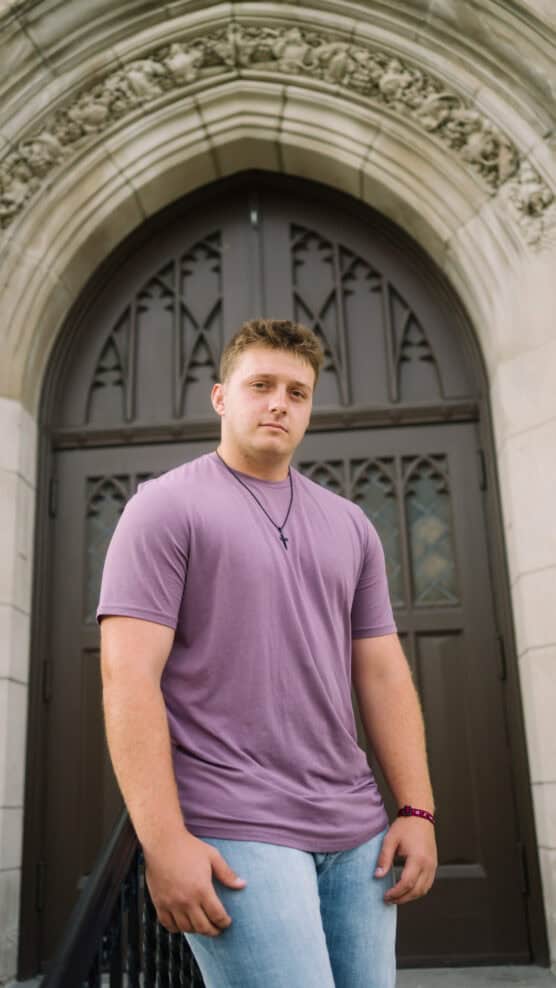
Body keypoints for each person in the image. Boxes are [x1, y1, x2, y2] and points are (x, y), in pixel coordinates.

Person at [97, 318, 437, 988]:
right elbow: (128, 676)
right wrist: (163, 842)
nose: (280, 401)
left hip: (356, 828)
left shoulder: (350, 524)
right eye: (261, 385)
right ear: (222, 397)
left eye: (297, 391)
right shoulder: (164, 508)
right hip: (234, 820)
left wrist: (417, 810)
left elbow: (383, 670)